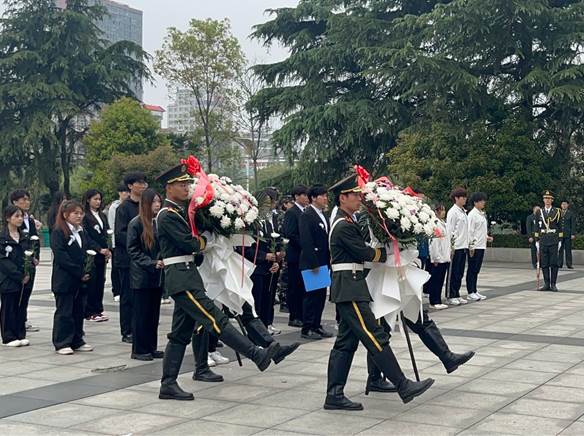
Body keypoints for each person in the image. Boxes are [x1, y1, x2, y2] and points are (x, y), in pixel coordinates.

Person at [155, 162, 281, 401]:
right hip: (182, 278)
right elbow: (190, 244)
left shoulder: (178, 213)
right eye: (181, 184)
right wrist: (209, 238)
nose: (186, 188)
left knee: (179, 334)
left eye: (187, 183)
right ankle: (256, 354)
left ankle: (168, 384)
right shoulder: (167, 215)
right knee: (215, 319)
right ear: (169, 188)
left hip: (187, 275)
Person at [324, 172, 434, 411]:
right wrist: (391, 252)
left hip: (351, 285)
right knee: (374, 335)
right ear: (342, 198)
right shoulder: (343, 226)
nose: (358, 199)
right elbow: (365, 253)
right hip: (350, 287)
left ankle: (334, 394)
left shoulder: (348, 221)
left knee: (345, 343)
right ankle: (403, 385)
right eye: (354, 195)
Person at [50, 200, 104, 355]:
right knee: (64, 312)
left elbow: (87, 248)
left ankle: (77, 339)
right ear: (65, 214)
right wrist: (79, 272)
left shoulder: (81, 231)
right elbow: (61, 256)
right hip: (65, 279)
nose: (79, 216)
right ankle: (62, 342)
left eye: (81, 213)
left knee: (78, 311)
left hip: (81, 280)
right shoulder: (58, 232)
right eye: (75, 213)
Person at [127, 189, 165, 361]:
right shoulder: (136, 223)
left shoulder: (157, 222)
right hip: (141, 276)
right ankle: (139, 349)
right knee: (141, 315)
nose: (157, 205)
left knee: (153, 315)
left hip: (156, 276)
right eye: (154, 202)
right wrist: (151, 262)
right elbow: (133, 250)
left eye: (159, 201)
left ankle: (151, 347)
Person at [114, 172, 147, 343]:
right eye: (138, 183)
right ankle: (127, 330)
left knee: (142, 297)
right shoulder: (123, 208)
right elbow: (120, 234)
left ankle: (140, 328)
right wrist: (138, 241)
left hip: (144, 259)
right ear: (130, 186)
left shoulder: (146, 205)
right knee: (127, 295)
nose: (142, 186)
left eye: (144, 183)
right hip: (127, 259)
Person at [299, 184, 333, 340]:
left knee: (320, 296)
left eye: (326, 196)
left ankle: (316, 325)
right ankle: (307, 327)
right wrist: (314, 263)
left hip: (323, 260)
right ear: (313, 198)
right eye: (322, 196)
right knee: (312, 296)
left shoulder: (323, 215)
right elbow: (306, 241)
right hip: (312, 262)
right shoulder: (307, 215)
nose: (326, 199)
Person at [10, 190, 40, 333]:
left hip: (30, 262)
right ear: (15, 202)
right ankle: (13, 322)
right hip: (17, 262)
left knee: (27, 292)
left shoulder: (30, 220)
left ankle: (23, 319)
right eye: (24, 199)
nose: (27, 202)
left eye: (28, 199)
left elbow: (35, 240)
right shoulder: (11, 220)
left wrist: (36, 256)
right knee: (15, 294)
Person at [0, 206, 30, 346]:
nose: (20, 219)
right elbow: (3, 260)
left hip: (24, 277)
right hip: (8, 277)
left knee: (21, 305)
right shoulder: (2, 237)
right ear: (8, 218)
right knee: (9, 306)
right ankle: (8, 336)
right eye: (16, 216)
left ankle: (20, 333)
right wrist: (17, 275)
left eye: (21, 216)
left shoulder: (24, 236)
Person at [82, 189, 111, 322]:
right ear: (88, 200)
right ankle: (89, 311)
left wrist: (108, 249)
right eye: (95, 199)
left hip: (102, 253)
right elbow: (86, 236)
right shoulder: (85, 216)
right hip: (92, 253)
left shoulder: (102, 215)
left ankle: (98, 309)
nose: (98, 202)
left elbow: (106, 233)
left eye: (99, 199)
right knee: (92, 282)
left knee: (100, 281)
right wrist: (98, 249)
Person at [282, 185, 310, 328]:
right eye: (304, 195)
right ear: (297, 196)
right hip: (296, 256)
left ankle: (305, 316)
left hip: (308, 257)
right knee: (295, 287)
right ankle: (295, 316)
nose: (306, 198)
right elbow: (290, 233)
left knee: (307, 288)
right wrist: (306, 245)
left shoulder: (307, 211)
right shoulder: (292, 212)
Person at [466, 192, 492, 301]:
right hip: (475, 246)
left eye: (484, 201)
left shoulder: (481, 214)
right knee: (472, 269)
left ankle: (474, 290)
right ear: (475, 202)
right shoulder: (472, 215)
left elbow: (480, 230)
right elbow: (470, 231)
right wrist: (471, 246)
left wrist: (486, 237)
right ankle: (470, 291)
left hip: (481, 245)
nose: (483, 203)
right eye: (481, 201)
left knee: (476, 269)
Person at [535, 190, 563, 291]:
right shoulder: (539, 212)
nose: (547, 200)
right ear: (543, 200)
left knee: (554, 263)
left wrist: (560, 240)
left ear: (552, 200)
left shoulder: (557, 211)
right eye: (545, 198)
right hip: (543, 239)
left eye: (549, 198)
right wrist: (537, 240)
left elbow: (560, 227)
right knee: (544, 263)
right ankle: (546, 284)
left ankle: (553, 284)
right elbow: (537, 227)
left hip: (553, 239)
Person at [107, 183, 130, 303]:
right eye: (124, 191)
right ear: (119, 193)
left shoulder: (130, 205)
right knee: (116, 268)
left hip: (127, 241)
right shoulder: (114, 207)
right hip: (116, 241)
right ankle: (116, 290)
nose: (126, 194)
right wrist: (113, 242)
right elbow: (112, 225)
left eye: (127, 191)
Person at [446, 187, 469, 306]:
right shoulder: (453, 212)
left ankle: (457, 293)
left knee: (459, 272)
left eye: (465, 197)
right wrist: (451, 246)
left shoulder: (463, 212)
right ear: (456, 198)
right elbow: (450, 230)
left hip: (463, 246)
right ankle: (450, 295)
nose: (465, 199)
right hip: (456, 246)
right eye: (462, 197)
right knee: (453, 272)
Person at [425, 204, 450, 310]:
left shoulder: (443, 223)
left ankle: (438, 299)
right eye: (441, 210)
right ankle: (434, 301)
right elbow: (434, 242)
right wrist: (435, 257)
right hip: (438, 257)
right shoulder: (434, 224)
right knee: (435, 280)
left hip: (444, 256)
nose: (443, 212)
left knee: (440, 280)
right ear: (436, 211)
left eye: (444, 210)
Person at [559, 200, 575, 269]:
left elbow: (573, 224)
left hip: (568, 234)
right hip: (559, 234)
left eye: (565, 204)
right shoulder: (558, 213)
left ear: (567, 205)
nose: (564, 205)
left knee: (568, 250)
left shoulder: (571, 213)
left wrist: (573, 234)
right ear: (561, 205)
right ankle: (559, 264)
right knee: (560, 249)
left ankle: (569, 264)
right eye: (563, 204)